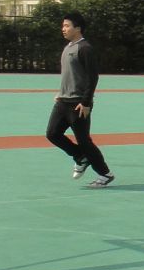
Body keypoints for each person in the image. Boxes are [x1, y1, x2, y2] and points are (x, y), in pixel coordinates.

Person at [46, 12, 115, 189]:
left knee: (84, 141)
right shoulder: (68, 47)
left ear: (77, 28)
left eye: (67, 26)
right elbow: (71, 75)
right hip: (63, 101)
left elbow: (92, 77)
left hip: (78, 104)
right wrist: (61, 92)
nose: (63, 29)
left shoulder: (85, 48)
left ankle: (105, 174)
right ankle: (80, 157)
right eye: (63, 26)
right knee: (52, 134)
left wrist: (86, 102)